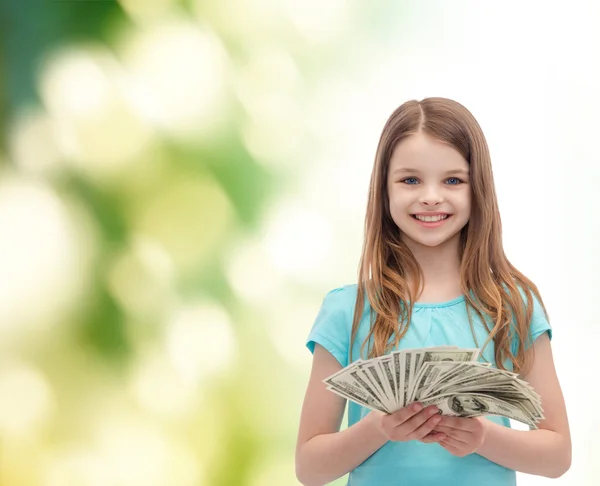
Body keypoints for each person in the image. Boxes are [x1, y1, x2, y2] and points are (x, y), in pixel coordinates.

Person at [295, 98, 571, 486]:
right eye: (410, 180)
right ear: (383, 189)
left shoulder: (513, 306)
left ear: (478, 190)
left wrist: (482, 437)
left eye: (453, 180)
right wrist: (378, 428)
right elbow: (309, 468)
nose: (430, 196)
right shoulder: (347, 309)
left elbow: (557, 456)